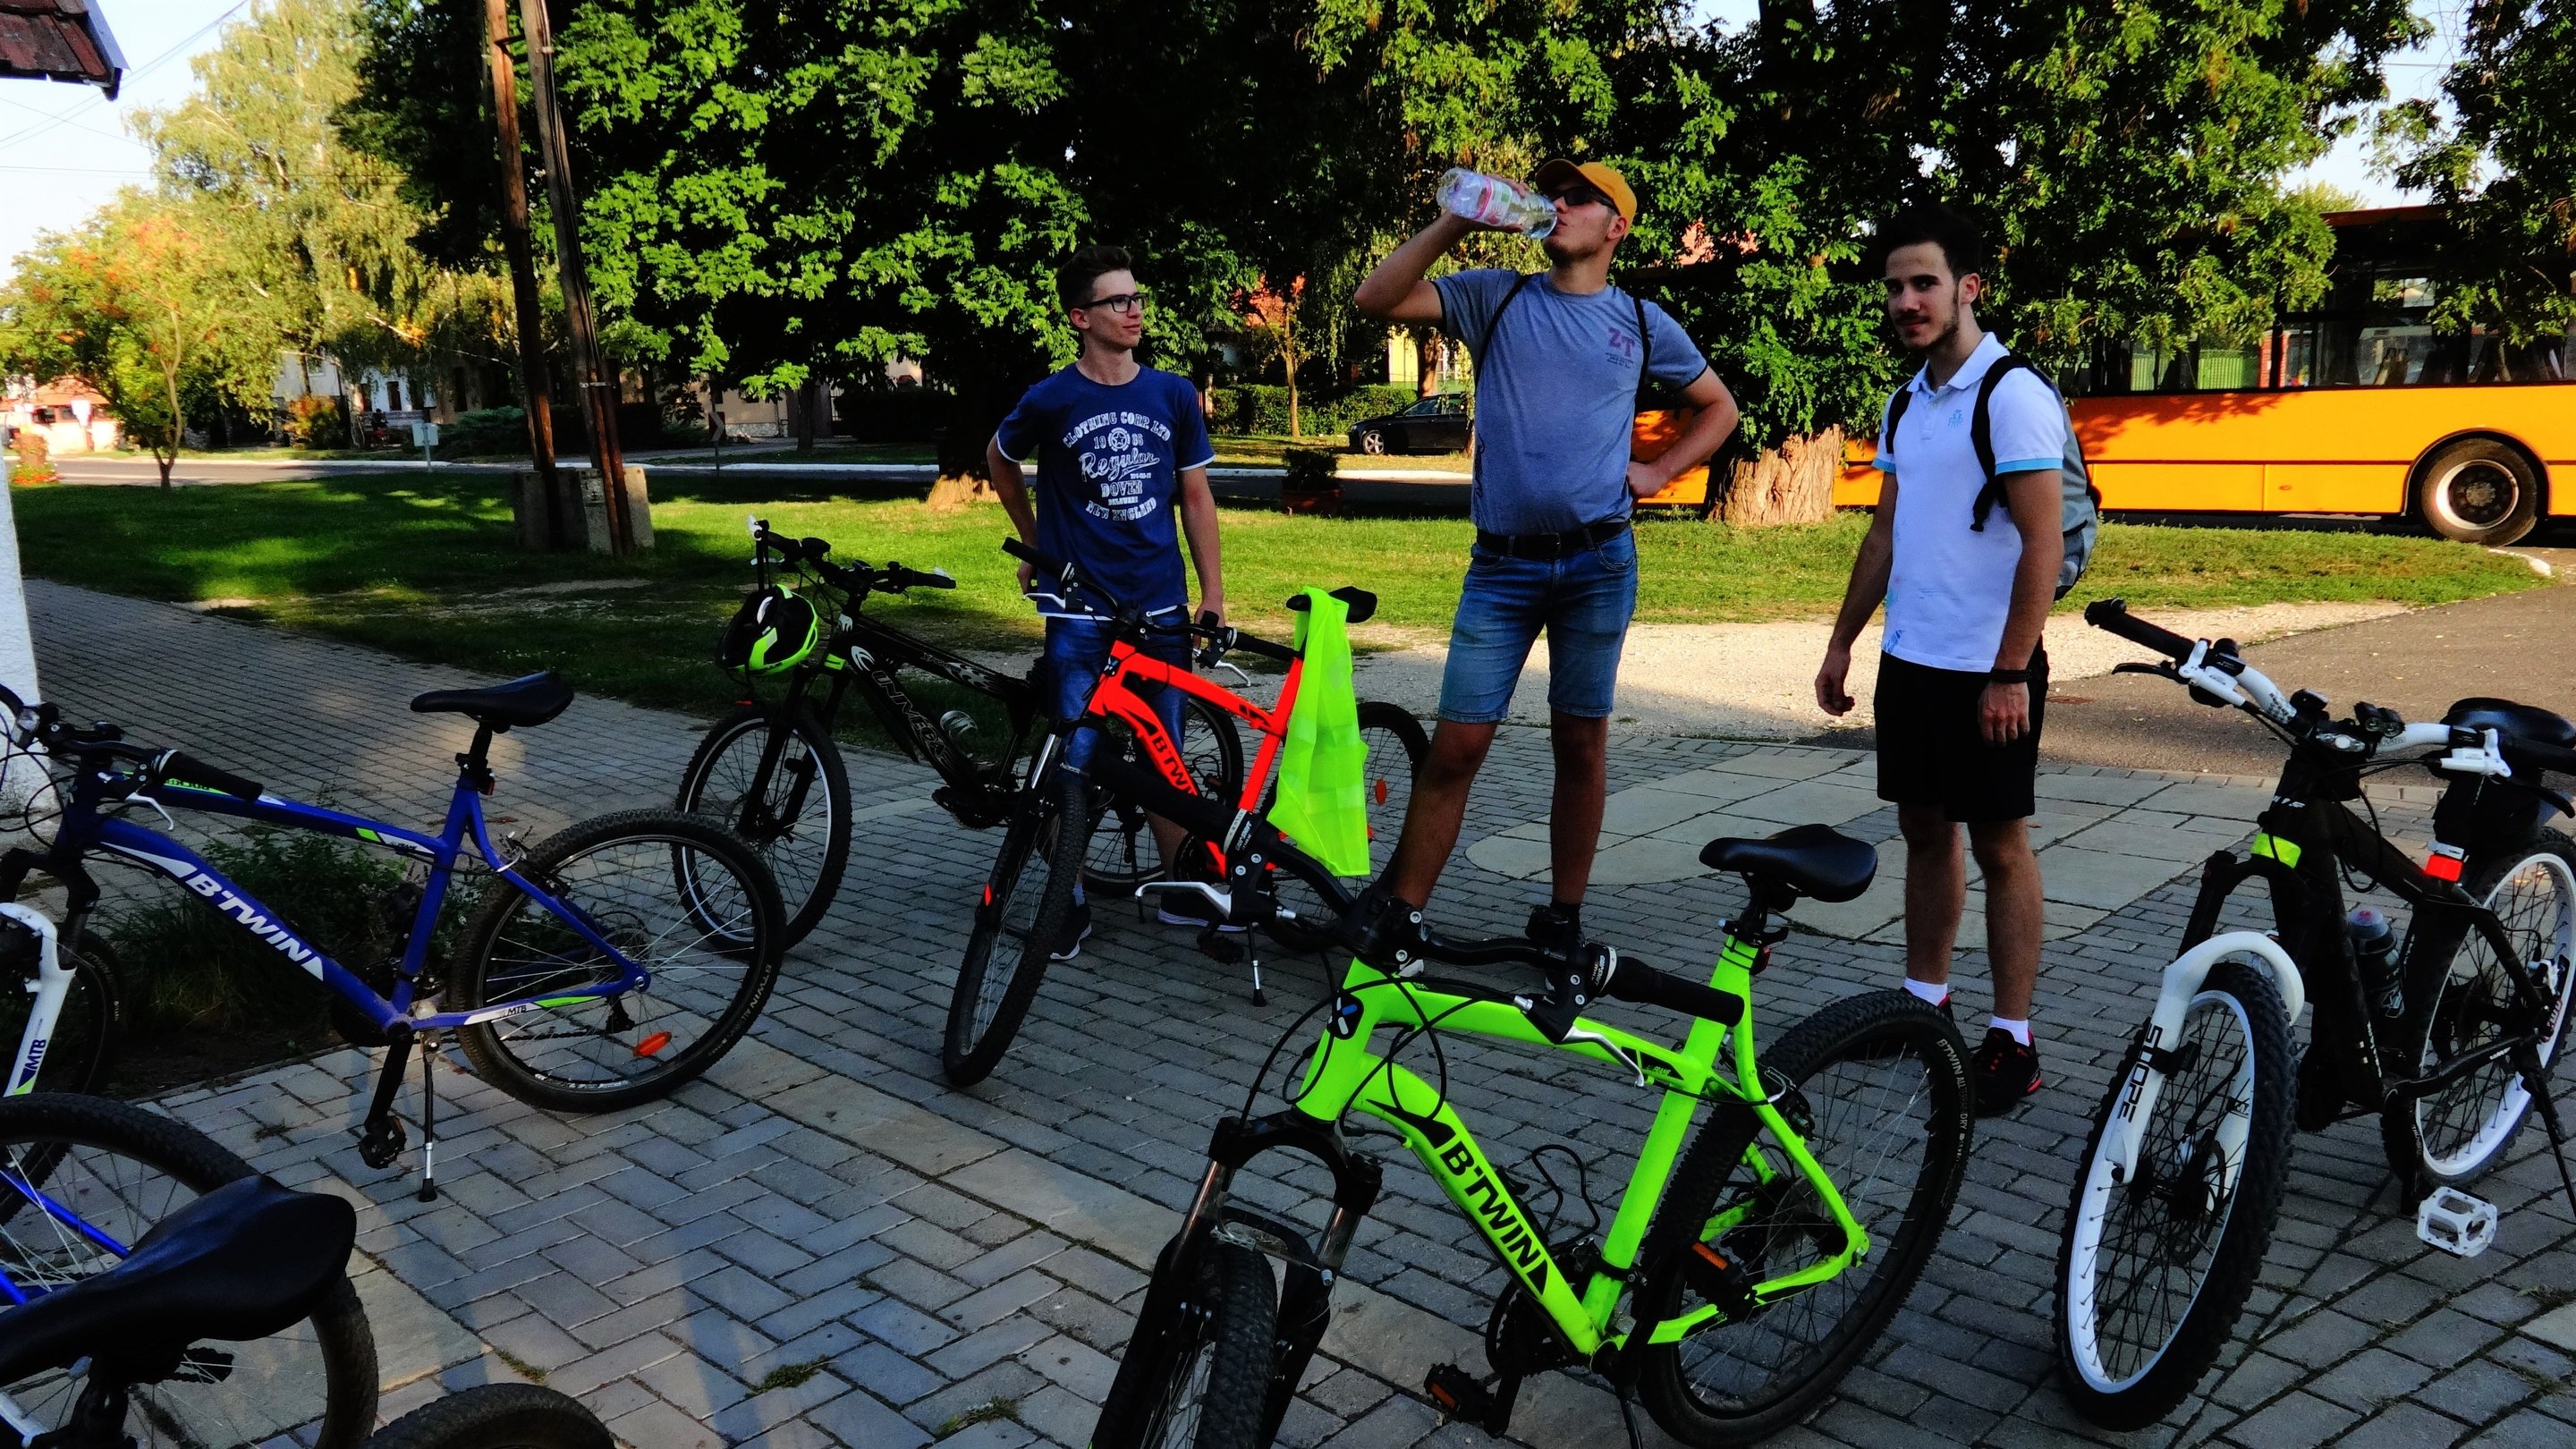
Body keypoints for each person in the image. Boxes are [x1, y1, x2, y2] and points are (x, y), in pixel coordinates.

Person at [1352, 160, 1740, 949]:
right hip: (1501, 569)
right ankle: (1402, 914)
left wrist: (1659, 471)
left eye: (1579, 198)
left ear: (1616, 227)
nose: (1558, 205)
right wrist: (1459, 218)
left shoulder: (1641, 321)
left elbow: (1719, 407)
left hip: (1598, 566)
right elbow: (1375, 299)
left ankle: (1562, 919)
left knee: (1580, 743)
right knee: (1458, 745)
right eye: (1552, 194)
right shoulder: (1496, 296)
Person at [1813, 203, 2066, 1116]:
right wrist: (1844, 639)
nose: (1907, 302)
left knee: (1999, 845)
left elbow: (2043, 543)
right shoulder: (1906, 401)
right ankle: (1924, 1005)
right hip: (1911, 660)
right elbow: (1886, 532)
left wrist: (2009, 671)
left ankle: (2013, 1039)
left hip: (1986, 669)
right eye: (1895, 287)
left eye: (1924, 283)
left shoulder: (2013, 394)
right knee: (1924, 832)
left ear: (1969, 288)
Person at [988, 244, 1226, 959]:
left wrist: (1212, 592)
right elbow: (999, 458)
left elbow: (1195, 498)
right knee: (1075, 754)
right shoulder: (1053, 397)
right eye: (1118, 301)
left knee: (1165, 752)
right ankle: (1067, 901)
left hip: (1159, 606)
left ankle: (1182, 885)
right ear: (1081, 317)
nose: (1134, 311)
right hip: (1080, 611)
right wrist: (1035, 543)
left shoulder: (1173, 395)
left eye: (1137, 298)